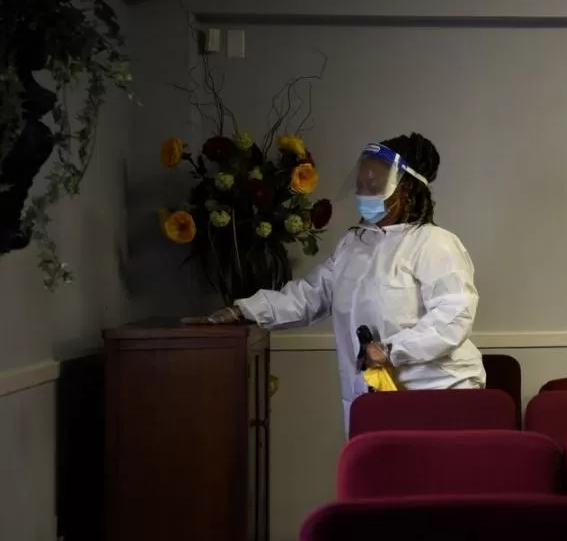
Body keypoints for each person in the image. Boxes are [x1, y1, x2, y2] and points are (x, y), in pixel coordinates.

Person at [185, 133, 485, 433]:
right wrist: (243, 310)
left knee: (429, 477)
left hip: (436, 394)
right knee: (377, 475)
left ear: (405, 189)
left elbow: (454, 315)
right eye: (362, 183)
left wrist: (393, 349)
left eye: (375, 183)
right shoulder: (353, 245)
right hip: (374, 395)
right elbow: (309, 296)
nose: (364, 191)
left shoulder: (435, 243)